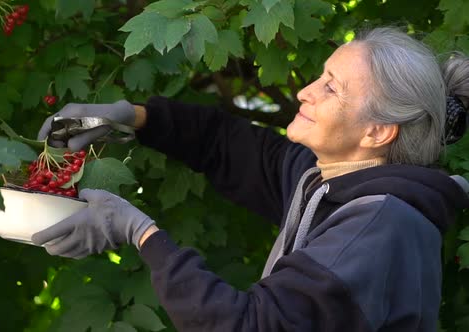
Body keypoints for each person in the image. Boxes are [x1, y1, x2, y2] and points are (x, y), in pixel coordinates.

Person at [34, 27, 469, 331]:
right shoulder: (331, 182)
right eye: (320, 75)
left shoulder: (380, 225)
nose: (305, 91)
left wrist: (139, 231)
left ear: (377, 131)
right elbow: (228, 145)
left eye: (332, 87)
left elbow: (249, 325)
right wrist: (134, 118)